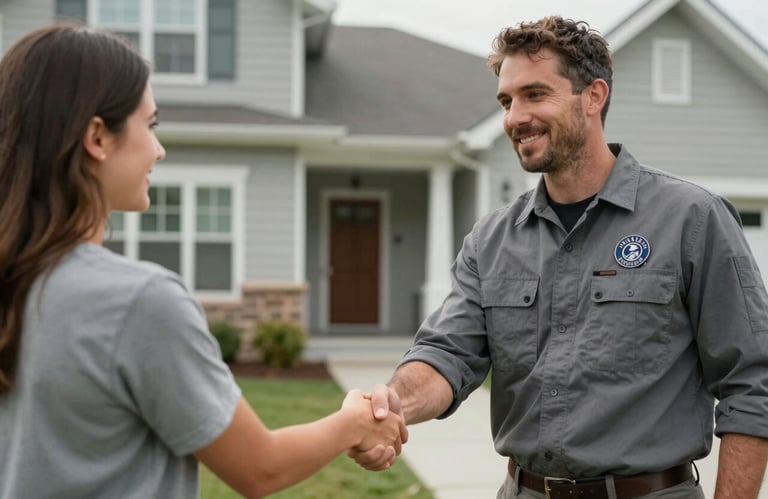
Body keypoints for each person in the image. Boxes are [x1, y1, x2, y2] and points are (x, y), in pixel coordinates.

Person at [349, 15, 768, 499]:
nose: (514, 117)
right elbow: (447, 353)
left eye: (534, 95)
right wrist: (391, 404)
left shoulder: (693, 220)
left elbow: (752, 382)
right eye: (506, 101)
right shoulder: (492, 240)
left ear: (593, 96)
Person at [0, 24, 406, 499]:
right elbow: (261, 467)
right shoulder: (137, 302)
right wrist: (354, 421)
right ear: (97, 137)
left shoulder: (16, 282)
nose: (159, 149)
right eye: (149, 126)